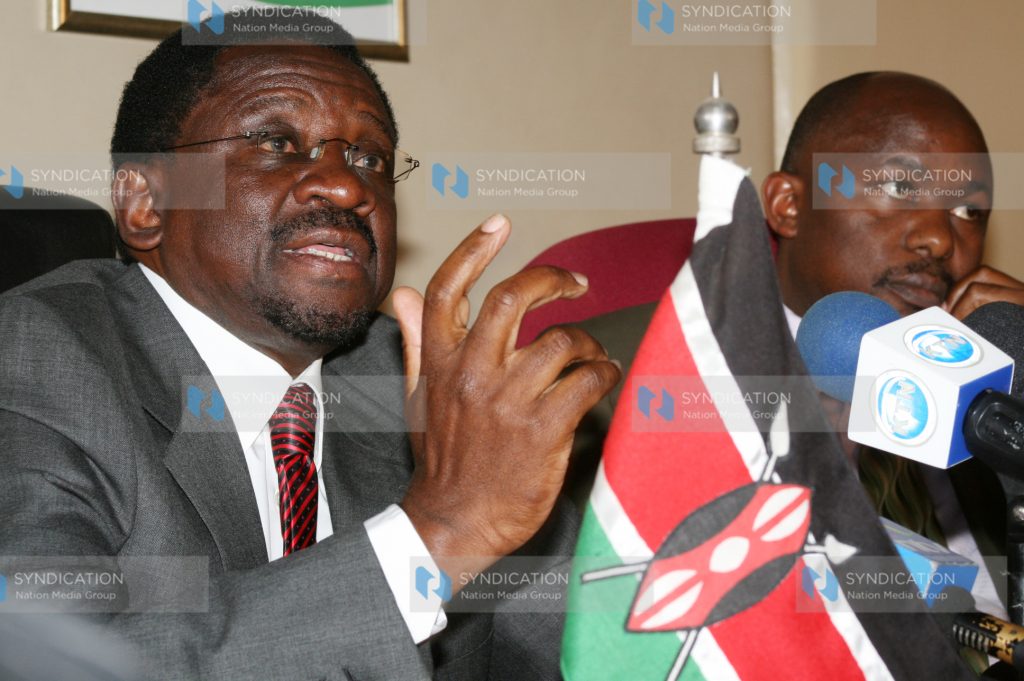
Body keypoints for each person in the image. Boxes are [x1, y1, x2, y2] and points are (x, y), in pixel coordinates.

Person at [0, 14, 620, 681]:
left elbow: (603, 651)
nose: (348, 187)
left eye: (369, 159)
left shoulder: (411, 377)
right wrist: (435, 537)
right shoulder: (39, 358)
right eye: (276, 143)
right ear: (146, 203)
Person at [571, 71, 1024, 625]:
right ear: (788, 205)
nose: (940, 238)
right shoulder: (624, 381)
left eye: (969, 211)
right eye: (900, 187)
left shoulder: (997, 378)